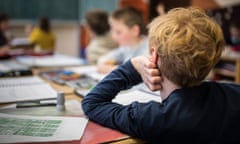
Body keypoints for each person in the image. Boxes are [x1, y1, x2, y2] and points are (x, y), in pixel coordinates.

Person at [82, 7, 240, 143]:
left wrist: (132, 67)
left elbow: (92, 103)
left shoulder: (153, 118)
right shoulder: (233, 93)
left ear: (154, 55)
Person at [97, 7, 148, 74]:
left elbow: (135, 73)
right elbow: (103, 59)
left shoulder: (147, 50)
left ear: (134, 30)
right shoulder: (126, 47)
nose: (114, 36)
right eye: (112, 31)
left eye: (118, 32)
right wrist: (103, 65)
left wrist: (112, 69)